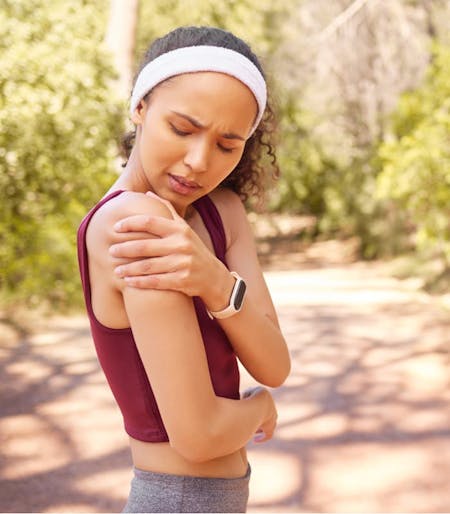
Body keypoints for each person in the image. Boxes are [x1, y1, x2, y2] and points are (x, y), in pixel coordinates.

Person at [77, 25, 291, 513]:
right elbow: (199, 434)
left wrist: (213, 280)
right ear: (140, 108)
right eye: (182, 128)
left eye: (227, 144)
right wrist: (257, 409)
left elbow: (275, 364)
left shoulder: (222, 211)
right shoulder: (136, 221)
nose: (198, 161)